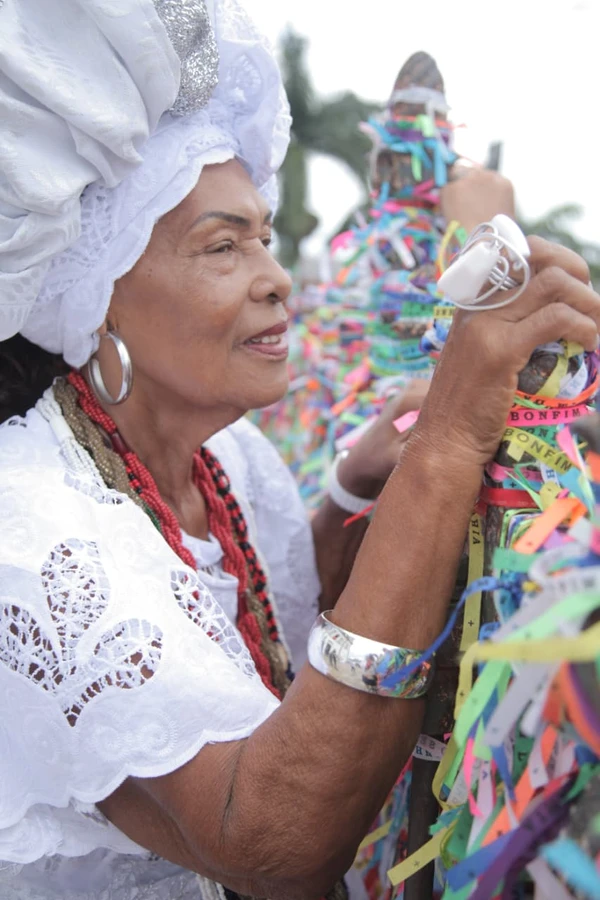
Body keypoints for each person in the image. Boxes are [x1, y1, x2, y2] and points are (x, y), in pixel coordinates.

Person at [0, 2, 598, 900]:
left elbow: (274, 638)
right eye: (223, 246)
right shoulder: (30, 530)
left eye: (266, 237)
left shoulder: (234, 462)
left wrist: (350, 502)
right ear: (100, 302)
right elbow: (275, 842)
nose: (278, 277)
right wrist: (444, 444)